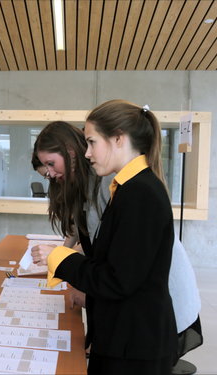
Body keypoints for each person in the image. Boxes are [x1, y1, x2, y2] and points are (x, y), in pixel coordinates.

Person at [32, 120, 202, 372]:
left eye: (91, 143)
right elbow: (92, 241)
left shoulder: (121, 186)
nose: (51, 174)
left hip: (149, 312)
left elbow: (115, 267)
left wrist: (67, 265)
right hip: (130, 307)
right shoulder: (100, 182)